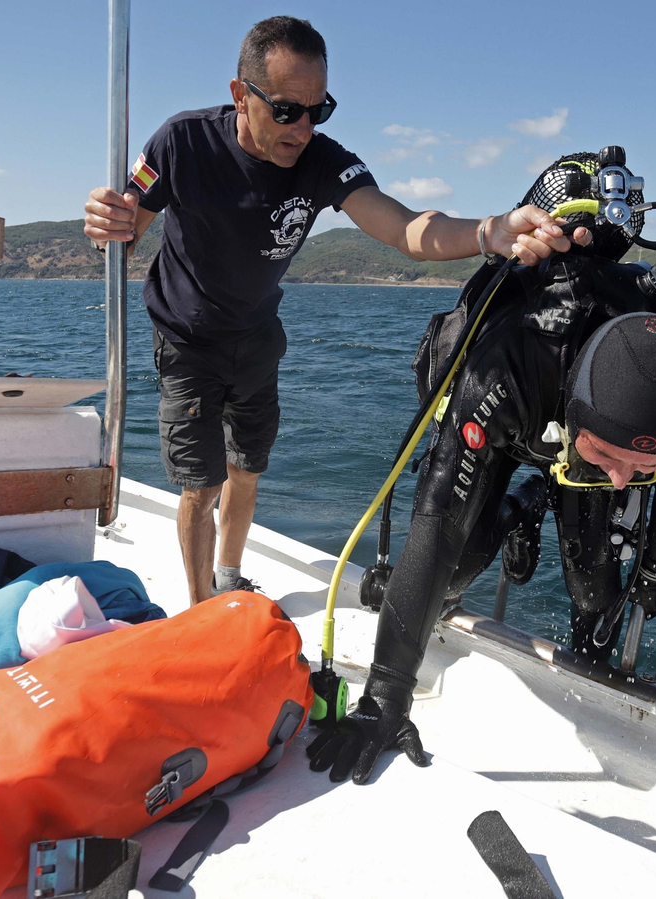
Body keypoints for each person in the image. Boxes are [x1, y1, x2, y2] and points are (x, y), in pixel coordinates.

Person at [82, 16, 576, 604]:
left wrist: (492, 230)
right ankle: (199, 613)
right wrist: (105, 225)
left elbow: (405, 229)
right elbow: (124, 234)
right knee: (201, 484)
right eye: (288, 110)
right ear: (241, 95)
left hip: (258, 336)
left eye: (320, 109)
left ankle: (229, 577)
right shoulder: (180, 142)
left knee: (247, 467)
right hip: (188, 339)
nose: (304, 127)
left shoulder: (322, 159)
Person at [306, 151, 656, 785]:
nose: (622, 480)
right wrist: (385, 698)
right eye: (611, 459)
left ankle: (581, 599)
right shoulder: (505, 371)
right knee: (455, 571)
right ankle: (523, 505)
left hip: (580, 427)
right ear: (576, 418)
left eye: (644, 466)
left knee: (596, 592)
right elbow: (438, 522)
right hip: (515, 422)